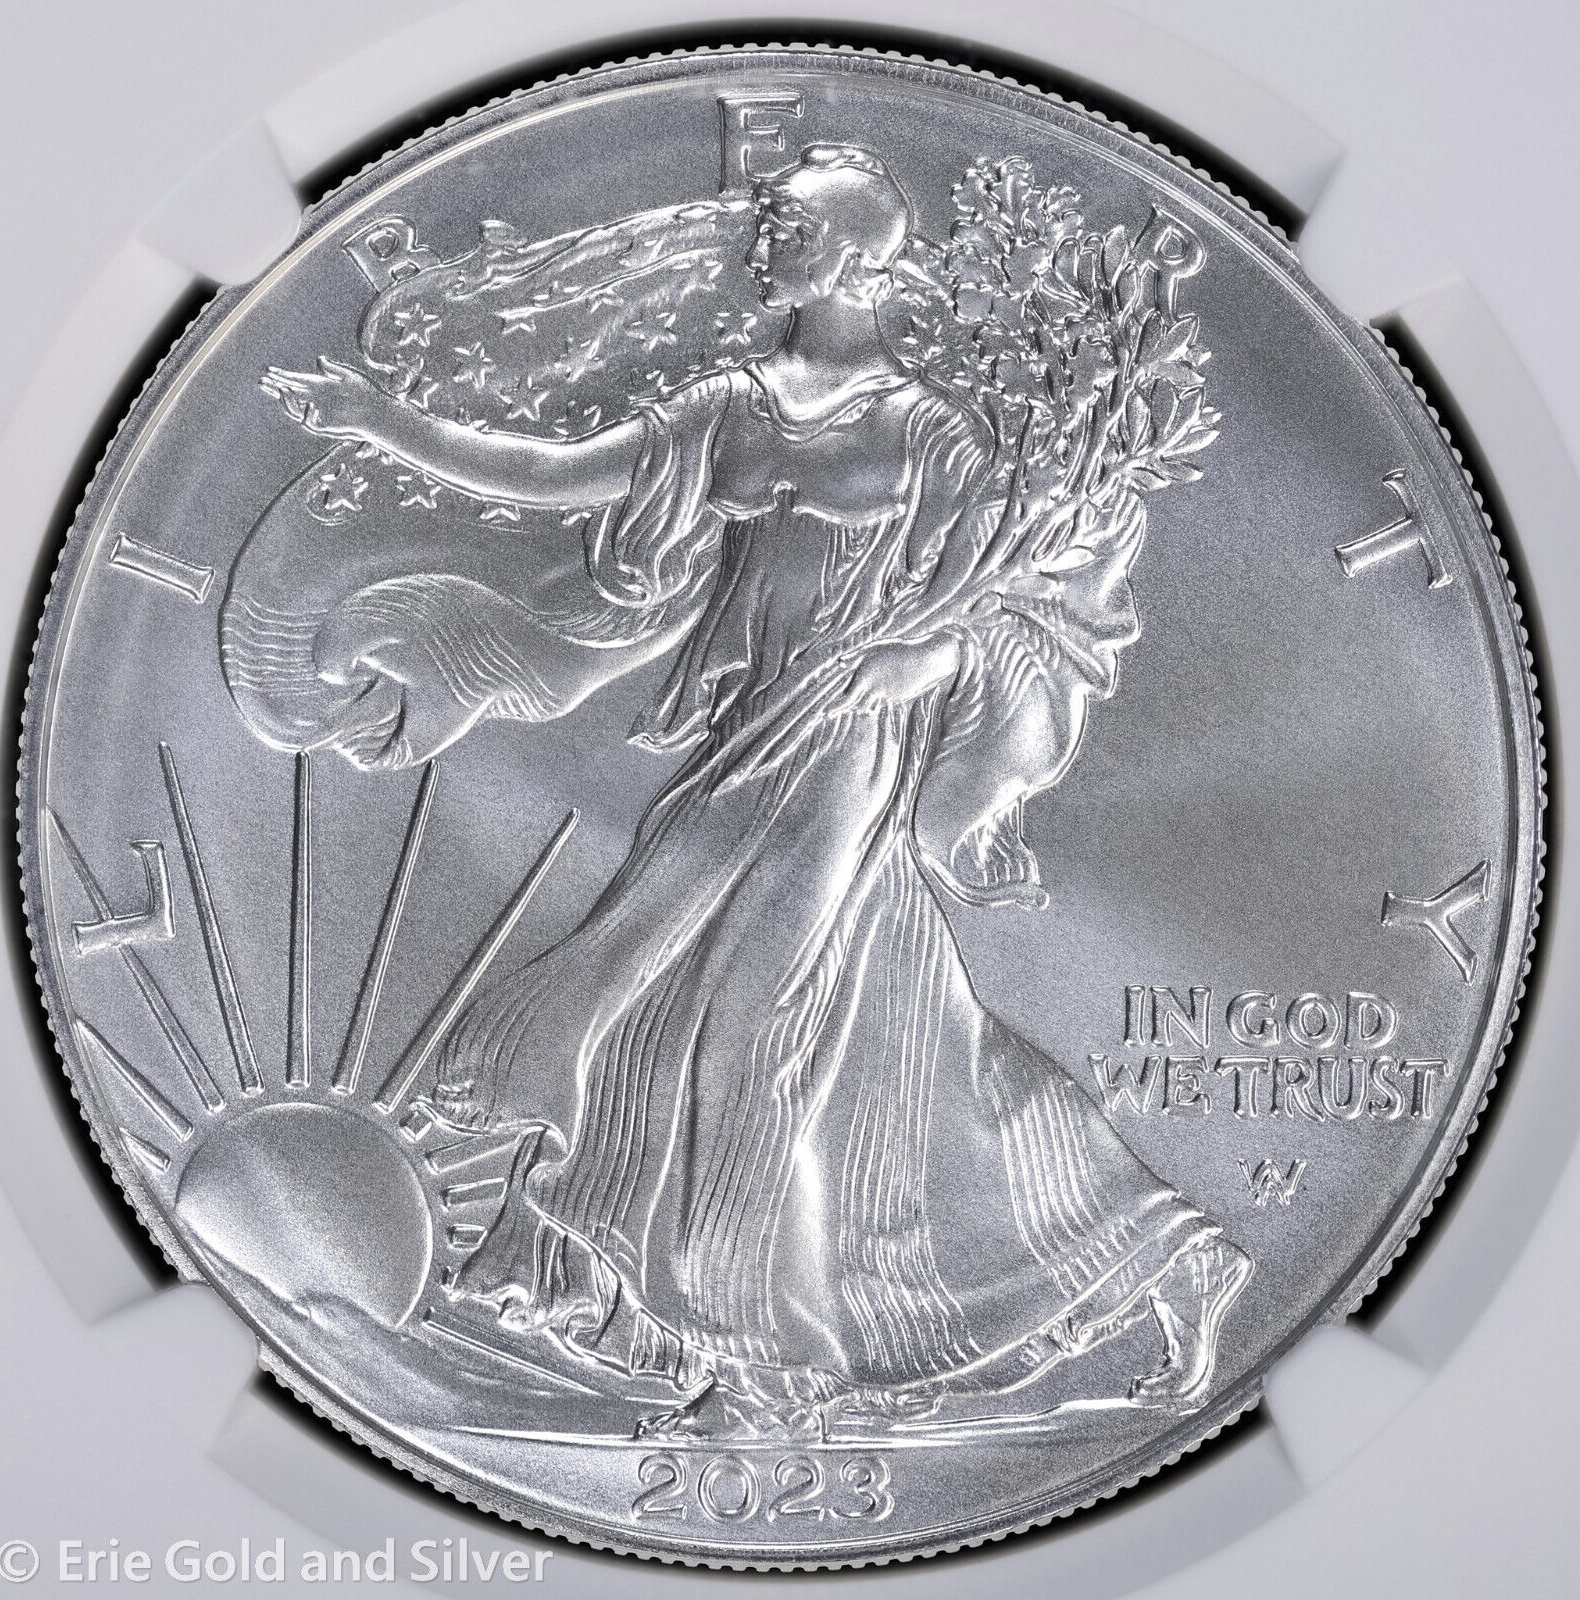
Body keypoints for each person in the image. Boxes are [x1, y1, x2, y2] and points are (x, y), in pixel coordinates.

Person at [260, 144, 1250, 1439]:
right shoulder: (729, 406)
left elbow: (1010, 601)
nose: (761, 239)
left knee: (749, 1034)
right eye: (768, 219)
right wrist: (387, 426)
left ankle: (751, 1358)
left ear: (854, 259)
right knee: (845, 1032)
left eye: (788, 224)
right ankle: (1156, 1250)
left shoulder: (930, 431)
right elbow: (560, 473)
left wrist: (922, 656)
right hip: (744, 747)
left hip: (851, 752)